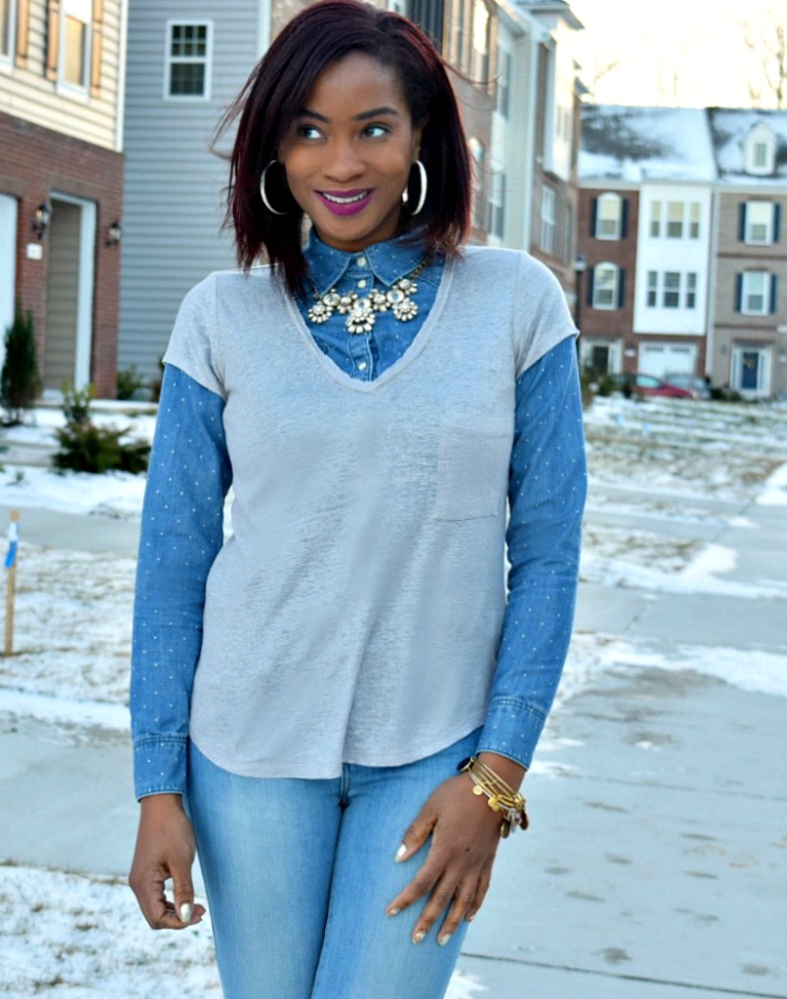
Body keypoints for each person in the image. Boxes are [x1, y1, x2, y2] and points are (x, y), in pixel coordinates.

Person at [127, 2, 587, 995]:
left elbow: (548, 557)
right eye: (309, 130)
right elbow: (174, 565)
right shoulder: (220, 317)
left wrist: (497, 776)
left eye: (373, 128)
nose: (341, 163)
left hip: (436, 755)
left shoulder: (518, 304)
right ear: (275, 149)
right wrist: (158, 785)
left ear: (422, 137)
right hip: (248, 752)